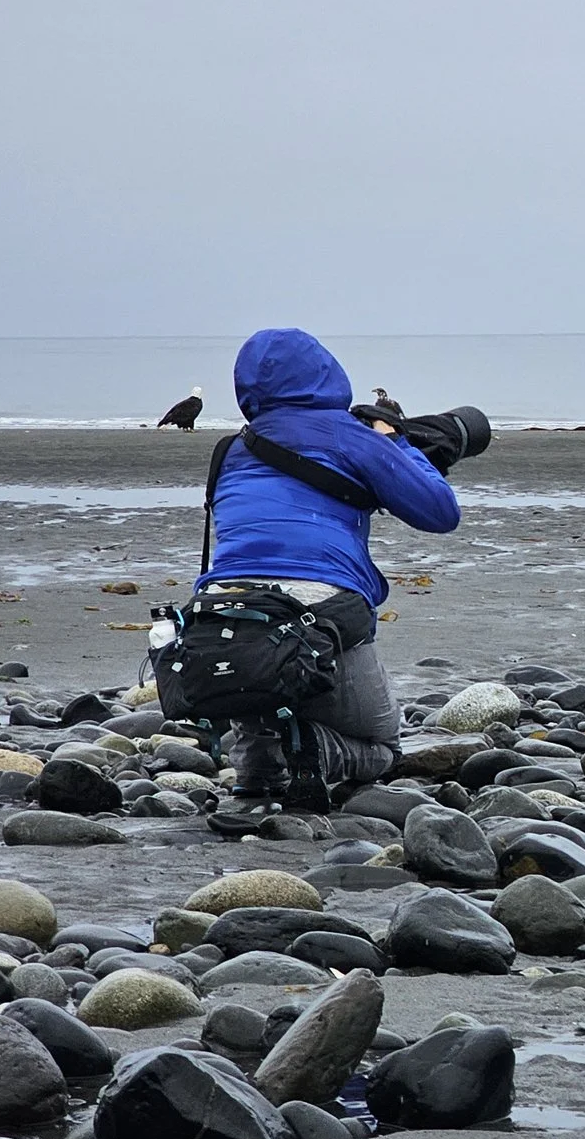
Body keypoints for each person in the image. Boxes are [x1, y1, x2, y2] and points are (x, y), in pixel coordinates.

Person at [183, 328, 461, 802]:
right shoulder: (350, 436)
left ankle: (258, 765)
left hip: (225, 616)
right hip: (323, 613)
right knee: (381, 745)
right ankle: (315, 750)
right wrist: (397, 443)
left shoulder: (230, 450)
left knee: (262, 700)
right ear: (328, 374)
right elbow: (440, 512)